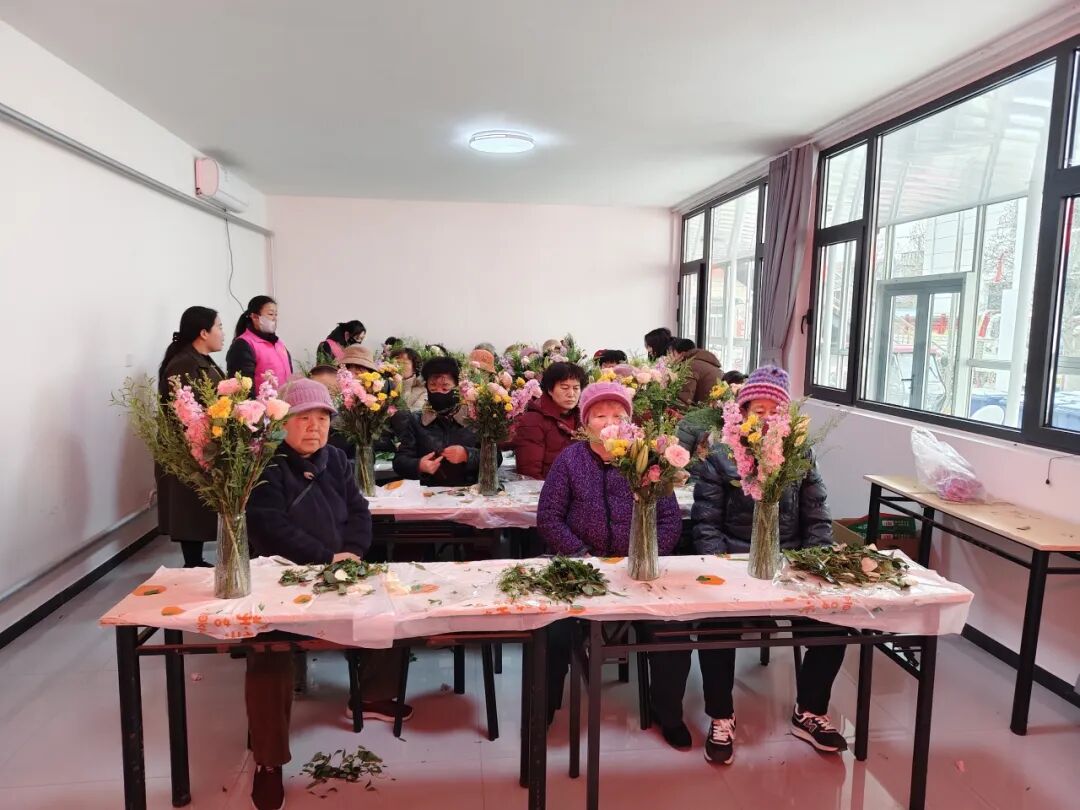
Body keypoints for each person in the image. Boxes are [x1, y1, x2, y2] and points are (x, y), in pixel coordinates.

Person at [649, 365, 843, 765]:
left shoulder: (799, 454)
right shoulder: (721, 456)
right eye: (758, 409)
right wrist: (724, 569)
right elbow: (705, 523)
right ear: (743, 412)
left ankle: (809, 711)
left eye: (775, 410)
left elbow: (818, 517)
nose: (766, 418)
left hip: (789, 564)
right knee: (716, 627)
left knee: (836, 624)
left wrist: (811, 566)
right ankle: (721, 715)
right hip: (734, 565)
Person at [244, 379, 409, 810]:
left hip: (340, 567)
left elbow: (358, 510)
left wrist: (351, 554)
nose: (315, 427)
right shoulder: (263, 464)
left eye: (322, 418)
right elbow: (268, 527)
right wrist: (324, 557)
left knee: (390, 605)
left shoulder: (335, 458)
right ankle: (269, 760)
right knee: (267, 653)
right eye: (304, 418)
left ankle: (372, 693)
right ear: (282, 423)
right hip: (284, 577)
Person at [537, 382, 682, 719]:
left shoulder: (648, 461)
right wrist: (581, 555)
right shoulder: (570, 460)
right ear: (585, 424)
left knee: (671, 633)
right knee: (552, 633)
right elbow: (549, 517)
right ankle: (543, 711)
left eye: (618, 415)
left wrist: (645, 556)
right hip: (581, 569)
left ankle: (668, 714)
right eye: (599, 416)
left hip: (638, 571)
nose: (609, 423)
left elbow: (670, 519)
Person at [156, 306, 226, 568]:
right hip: (188, 445)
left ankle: (196, 562)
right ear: (203, 332)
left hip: (203, 442)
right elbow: (185, 410)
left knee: (197, 504)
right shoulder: (184, 364)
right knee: (189, 505)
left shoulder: (201, 360)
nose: (223, 333)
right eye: (219, 327)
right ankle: (193, 564)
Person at [393, 357, 491, 486]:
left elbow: (496, 457)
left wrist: (467, 455)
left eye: (445, 388)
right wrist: (419, 465)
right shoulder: (416, 420)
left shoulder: (473, 418)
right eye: (433, 388)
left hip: (470, 490)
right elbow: (400, 462)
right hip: (430, 492)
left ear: (457, 387)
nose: (439, 392)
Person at [510, 362, 587, 479]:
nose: (571, 394)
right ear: (550, 390)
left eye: (576, 388)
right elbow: (530, 474)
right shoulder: (533, 420)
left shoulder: (583, 417)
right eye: (564, 388)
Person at [227, 295, 293, 387]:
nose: (275, 318)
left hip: (285, 396)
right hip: (262, 397)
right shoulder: (243, 345)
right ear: (255, 317)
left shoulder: (278, 343)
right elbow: (244, 387)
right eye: (271, 314)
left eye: (276, 315)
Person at [669, 337, 722, 407]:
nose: (670, 357)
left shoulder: (689, 365)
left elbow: (684, 399)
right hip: (717, 406)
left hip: (707, 409)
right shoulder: (704, 362)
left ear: (682, 354)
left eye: (672, 354)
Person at [388, 346, 427, 411]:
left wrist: (398, 387)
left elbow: (413, 414)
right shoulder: (384, 382)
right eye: (396, 362)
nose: (398, 366)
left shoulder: (423, 391)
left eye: (404, 363)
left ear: (415, 368)